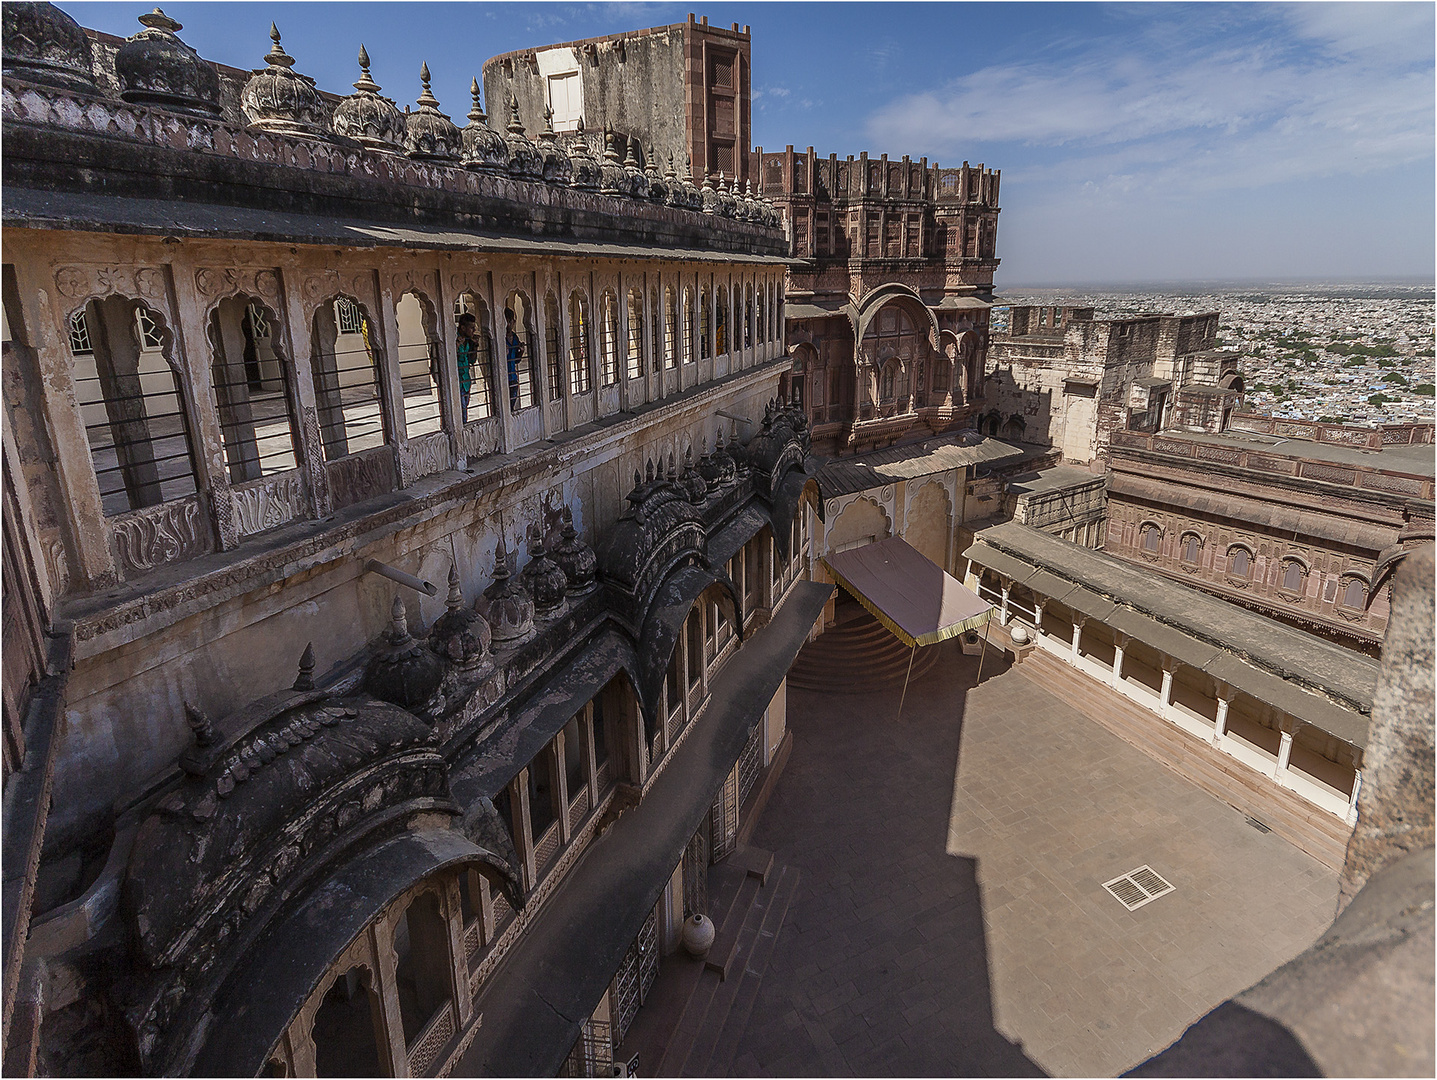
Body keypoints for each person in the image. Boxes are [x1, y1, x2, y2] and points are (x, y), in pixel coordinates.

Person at [455, 312, 477, 422]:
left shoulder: (468, 342)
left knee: (465, 410)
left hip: (466, 382)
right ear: (463, 328)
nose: (474, 331)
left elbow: (472, 360)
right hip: (457, 383)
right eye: (471, 328)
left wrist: (475, 346)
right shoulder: (453, 339)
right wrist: (456, 346)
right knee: (461, 415)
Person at [504, 308, 523, 411]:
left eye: (510, 322)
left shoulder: (515, 337)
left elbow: (517, 360)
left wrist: (521, 351)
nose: (509, 325)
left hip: (513, 376)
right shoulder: (500, 337)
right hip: (503, 378)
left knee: (511, 406)